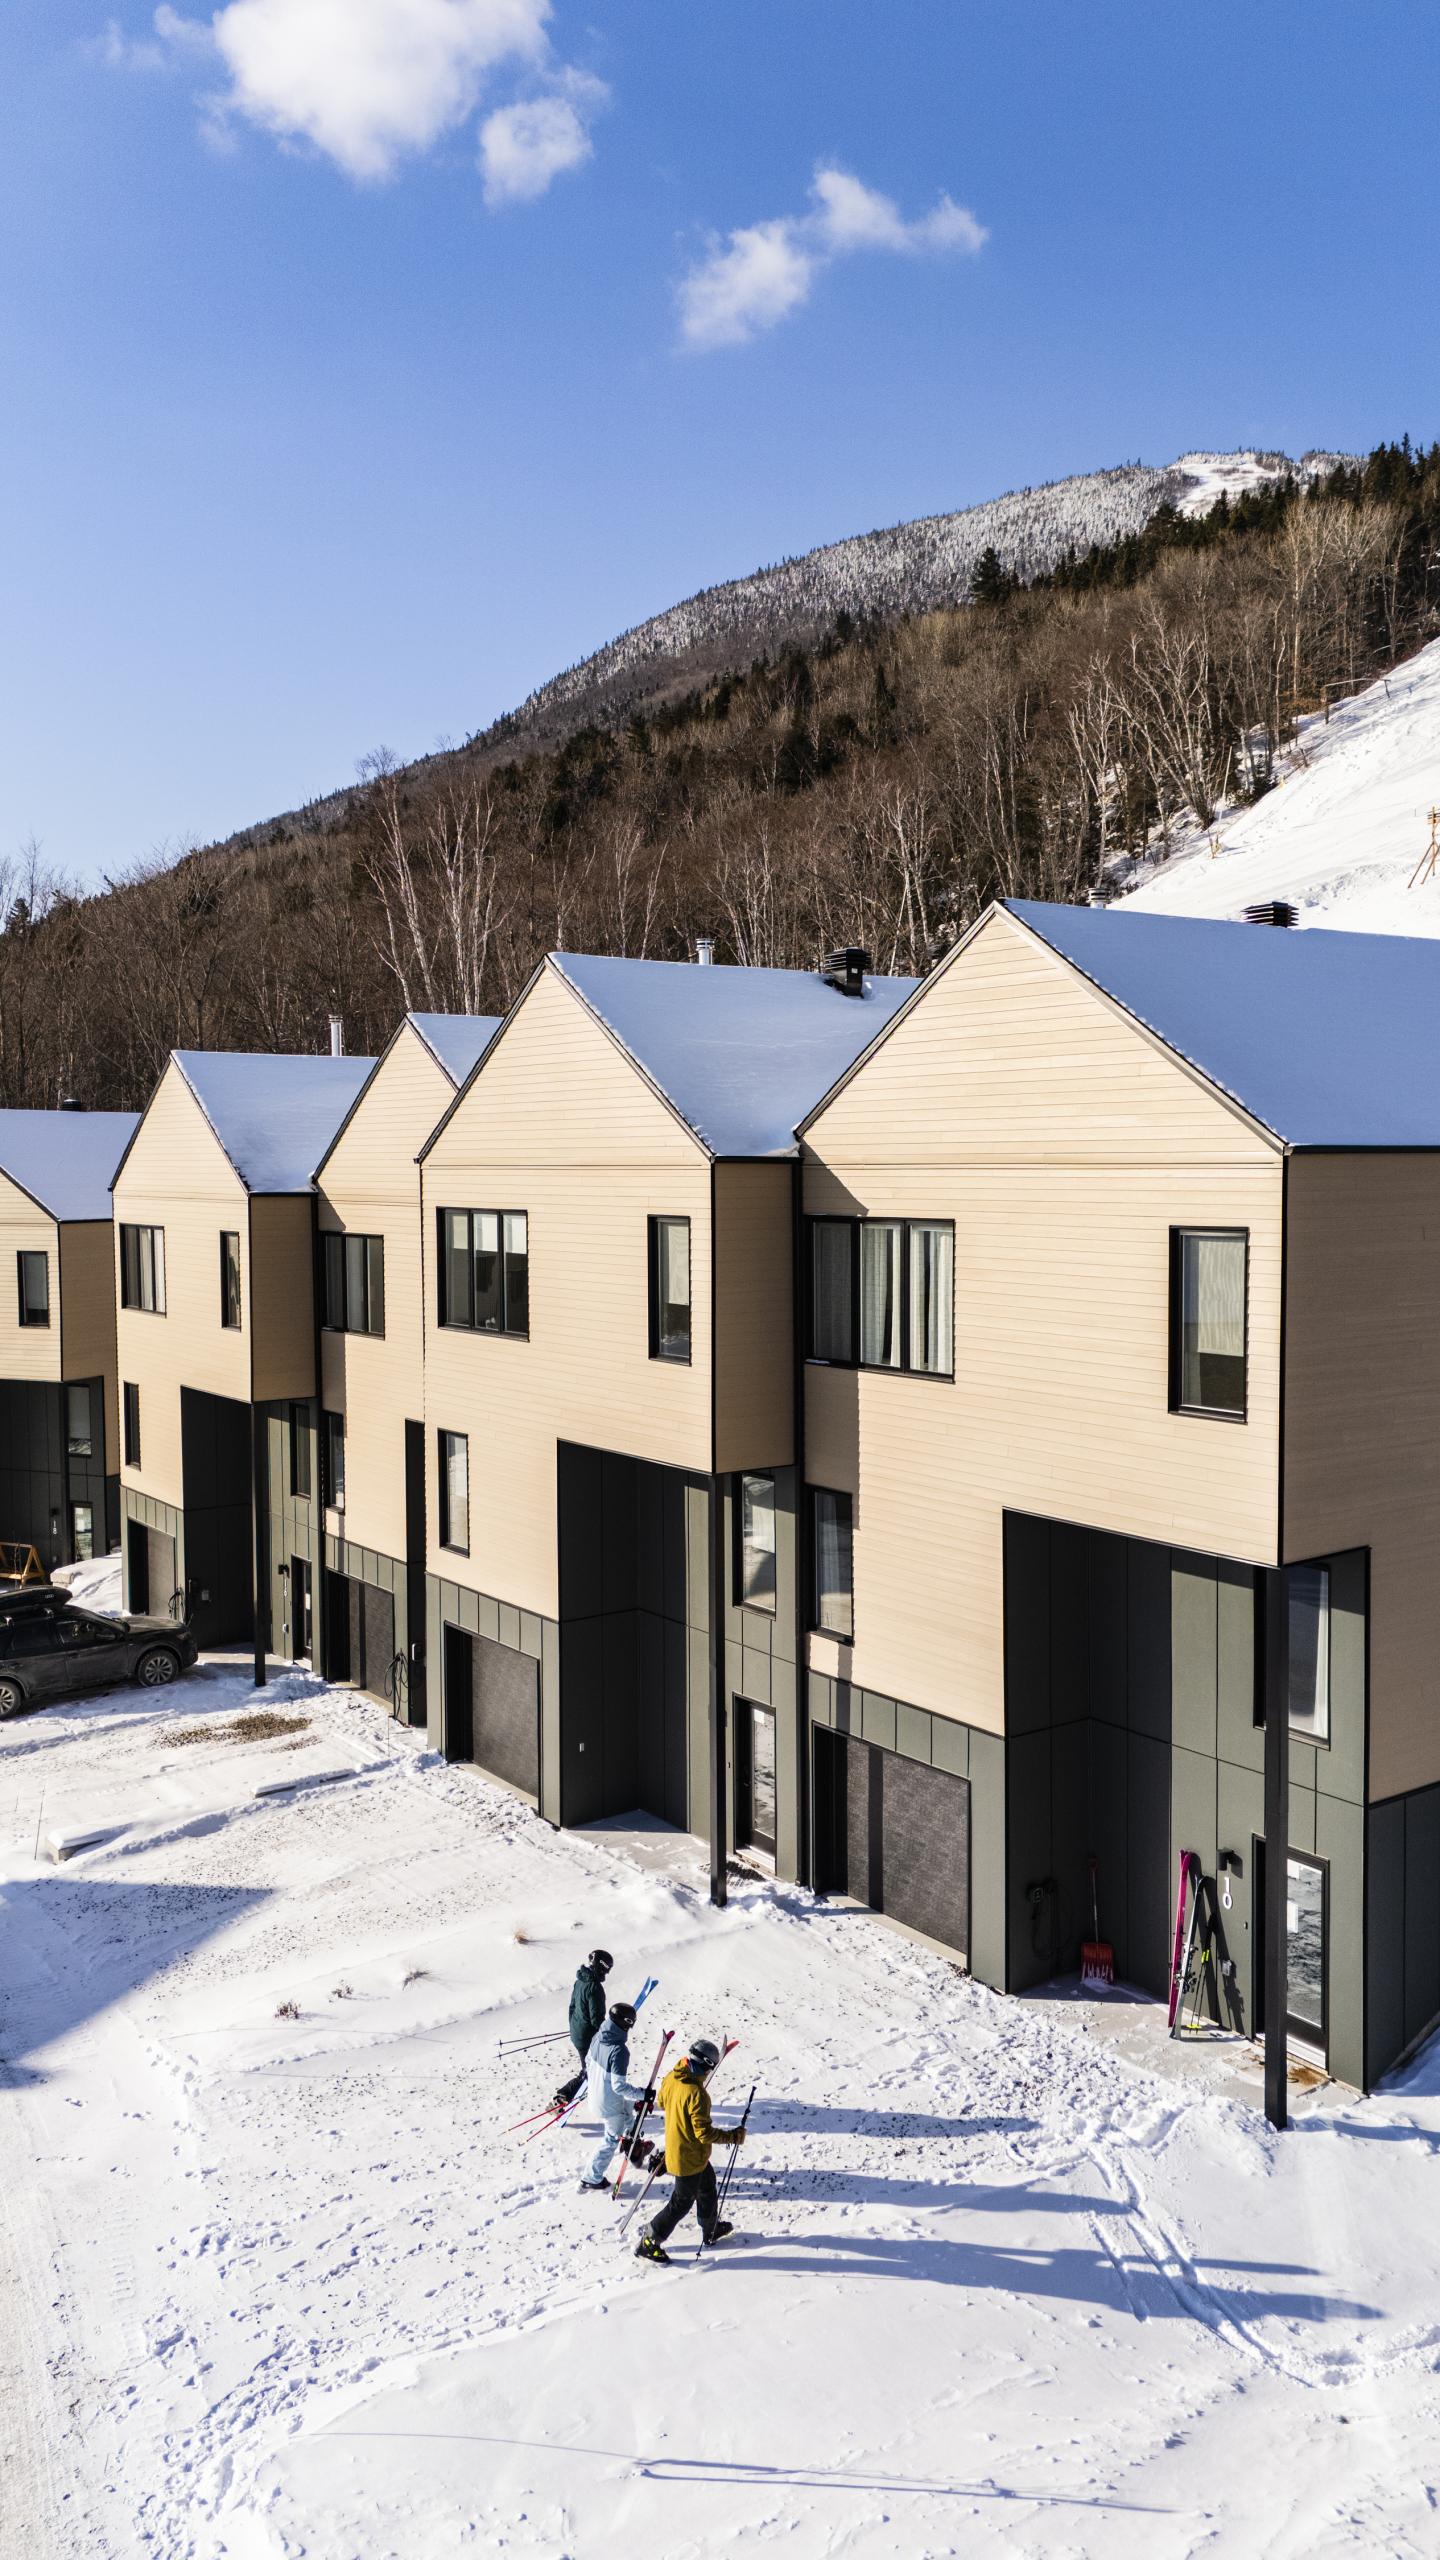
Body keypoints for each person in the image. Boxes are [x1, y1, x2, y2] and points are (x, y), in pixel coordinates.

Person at [635, 2037, 745, 2263]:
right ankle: (650, 2240)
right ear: (706, 2066)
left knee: (707, 2186)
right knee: (681, 2202)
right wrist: (732, 2137)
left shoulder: (672, 2077)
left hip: (686, 2151)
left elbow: (663, 2103)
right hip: (688, 2157)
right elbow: (703, 2134)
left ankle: (710, 2228)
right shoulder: (697, 2094)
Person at [577, 2002, 650, 2192]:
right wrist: (644, 2094)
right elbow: (619, 2087)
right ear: (627, 2024)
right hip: (608, 2104)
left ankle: (633, 2149)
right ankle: (591, 2178)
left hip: (596, 2095)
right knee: (610, 2139)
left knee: (628, 2115)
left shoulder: (598, 2036)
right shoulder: (619, 2051)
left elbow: (587, 2062)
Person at [553, 1949, 612, 2107]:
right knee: (591, 2071)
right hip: (587, 2037)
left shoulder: (580, 1981)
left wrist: (574, 2026)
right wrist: (608, 2034)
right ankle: (564, 2095)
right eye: (607, 1969)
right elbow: (596, 2019)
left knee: (592, 2068)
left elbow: (571, 2007)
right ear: (601, 1967)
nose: (607, 1973)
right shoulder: (595, 1988)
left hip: (577, 2032)